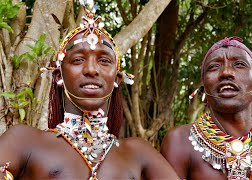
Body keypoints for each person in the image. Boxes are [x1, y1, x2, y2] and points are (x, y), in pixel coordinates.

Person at [0, 1, 179, 179]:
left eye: (104, 61)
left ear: (116, 79)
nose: (91, 69)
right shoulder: (25, 141)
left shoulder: (138, 151)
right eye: (78, 60)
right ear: (58, 76)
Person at [161, 37, 252, 180]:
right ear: (204, 92)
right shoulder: (179, 141)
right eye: (214, 67)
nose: (226, 72)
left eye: (239, 64)